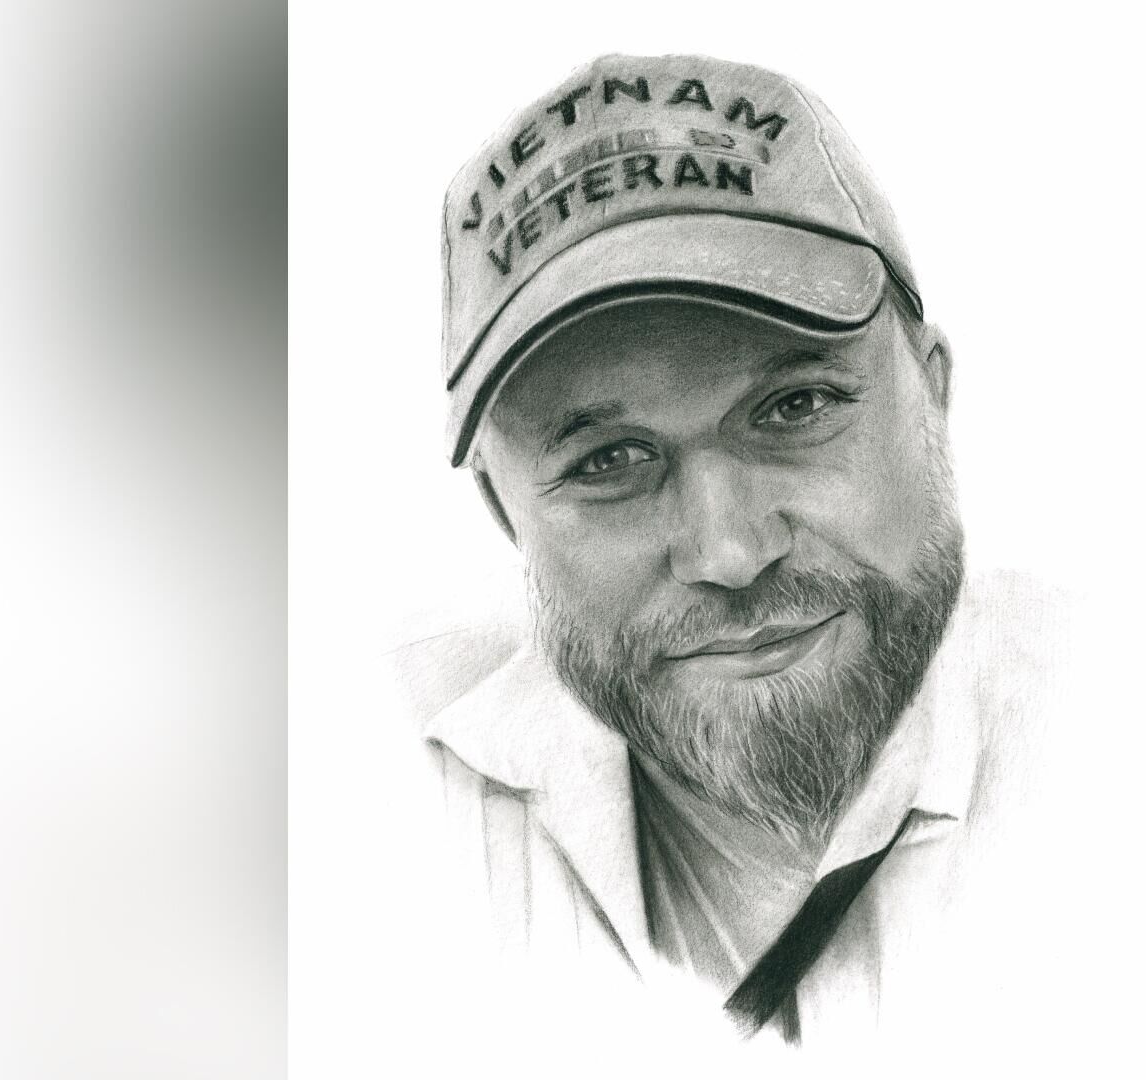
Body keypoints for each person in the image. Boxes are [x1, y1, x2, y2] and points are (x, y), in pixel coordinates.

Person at [397, 53, 1068, 1048]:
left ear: (933, 393)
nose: (731, 551)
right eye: (607, 462)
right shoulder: (351, 810)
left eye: (797, 407)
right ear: (505, 513)